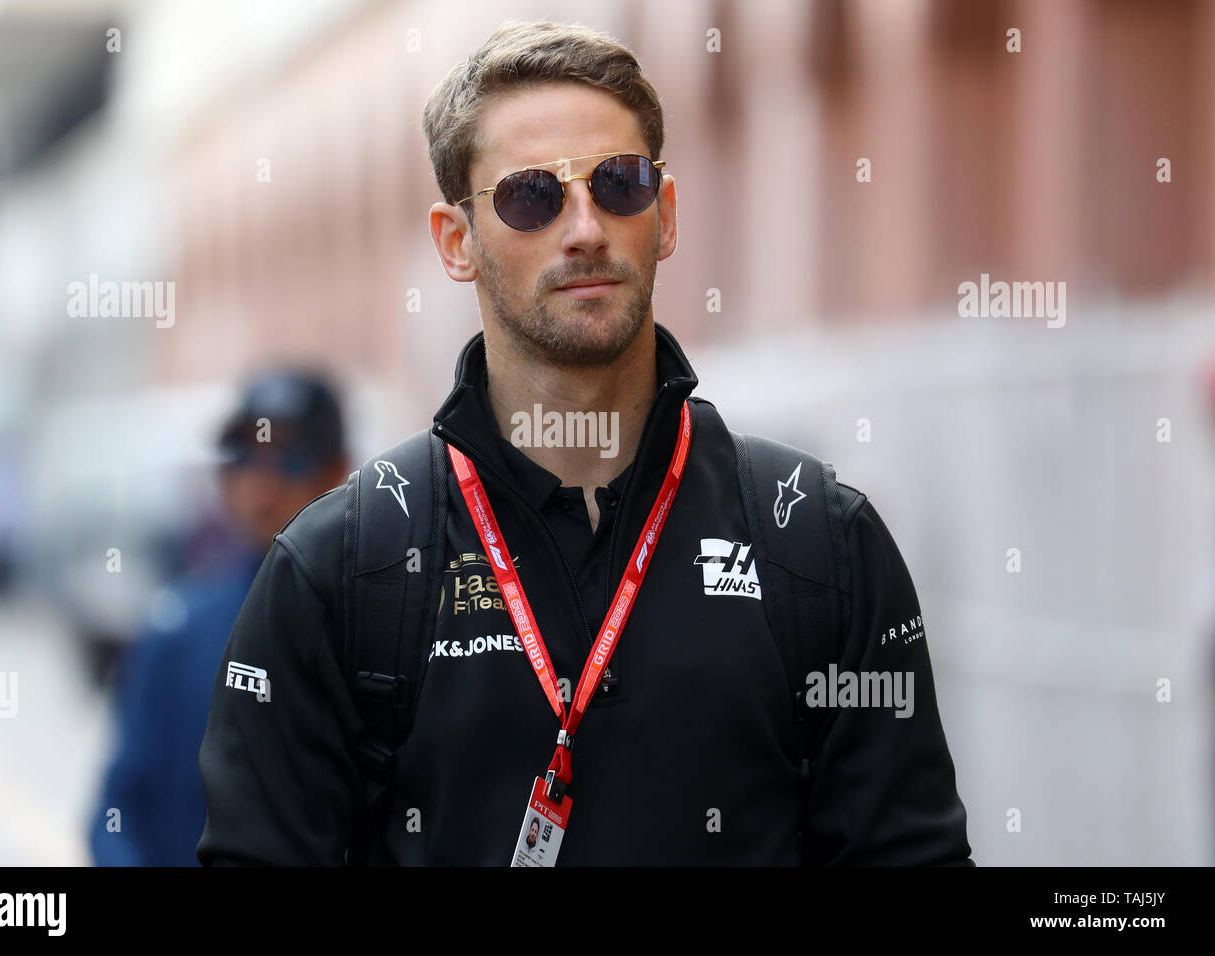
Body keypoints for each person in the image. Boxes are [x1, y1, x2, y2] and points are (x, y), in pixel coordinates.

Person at [197, 21, 973, 866]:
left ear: (666, 215)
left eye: (619, 183)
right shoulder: (342, 567)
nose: (585, 228)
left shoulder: (818, 542)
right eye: (532, 195)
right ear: (457, 242)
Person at [89, 370, 348, 865]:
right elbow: (117, 807)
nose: (263, 489)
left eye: (290, 462)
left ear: (339, 472)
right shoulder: (176, 631)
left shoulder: (383, 629)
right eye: (246, 460)